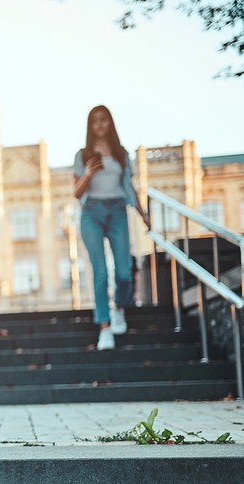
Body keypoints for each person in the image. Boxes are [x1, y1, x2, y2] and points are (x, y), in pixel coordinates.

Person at [73, 105, 150, 351]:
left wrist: (143, 214)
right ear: (90, 125)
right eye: (94, 120)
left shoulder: (121, 154)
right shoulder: (82, 154)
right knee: (100, 272)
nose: (99, 124)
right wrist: (87, 173)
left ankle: (118, 307)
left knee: (124, 271)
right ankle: (104, 328)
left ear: (110, 123)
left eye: (103, 119)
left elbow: (130, 186)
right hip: (91, 213)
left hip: (117, 210)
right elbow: (76, 193)